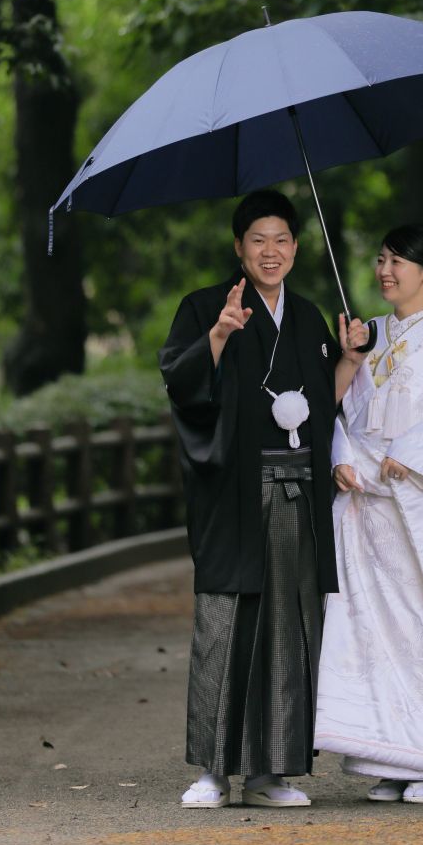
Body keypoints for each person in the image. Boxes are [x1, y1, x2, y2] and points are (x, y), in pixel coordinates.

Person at [158, 189, 368, 809]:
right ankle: (213, 772)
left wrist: (350, 361)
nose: (270, 251)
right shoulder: (203, 308)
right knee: (225, 623)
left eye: (281, 240)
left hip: (297, 494)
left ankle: (270, 773)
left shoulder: (307, 317)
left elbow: (322, 406)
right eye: (258, 239)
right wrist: (220, 336)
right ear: (238, 248)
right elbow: (182, 385)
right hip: (233, 496)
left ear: (297, 249)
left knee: (290, 627)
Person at [313, 224, 423, 804]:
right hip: (368, 507)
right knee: (372, 629)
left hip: (420, 505)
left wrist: (409, 457)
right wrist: (342, 456)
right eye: (383, 259)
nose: (387, 271)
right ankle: (387, 755)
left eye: (401, 262)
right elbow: (342, 410)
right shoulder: (368, 335)